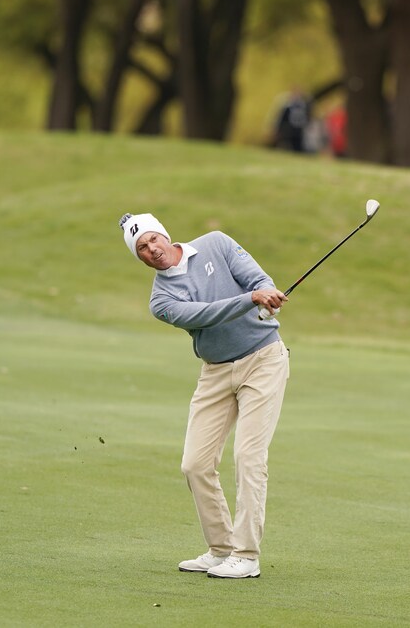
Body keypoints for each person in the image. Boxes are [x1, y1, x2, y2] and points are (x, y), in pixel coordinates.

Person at [119, 212, 291, 579]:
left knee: (248, 456)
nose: (152, 249)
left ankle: (246, 556)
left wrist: (266, 293)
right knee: (195, 464)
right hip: (215, 373)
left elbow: (257, 278)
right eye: (142, 249)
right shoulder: (161, 299)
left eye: (153, 240)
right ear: (140, 258)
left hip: (263, 359)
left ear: (165, 235)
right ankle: (221, 548)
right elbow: (205, 315)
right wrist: (250, 299)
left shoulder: (217, 243)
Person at [272, 88, 310, 152]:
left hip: (299, 129)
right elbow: (282, 119)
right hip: (289, 129)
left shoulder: (304, 106)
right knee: (286, 146)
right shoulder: (288, 107)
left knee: (298, 147)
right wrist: (278, 129)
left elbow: (308, 117)